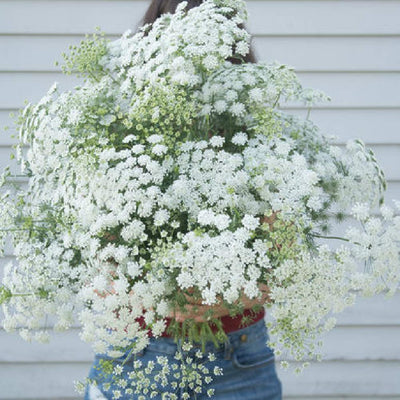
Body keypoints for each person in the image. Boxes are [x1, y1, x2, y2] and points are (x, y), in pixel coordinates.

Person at [84, 0, 283, 398]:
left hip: (237, 359)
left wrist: (220, 298)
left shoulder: (262, 147)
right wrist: (162, 295)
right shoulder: (114, 140)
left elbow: (280, 268)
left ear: (231, 52)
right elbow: (95, 266)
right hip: (138, 356)